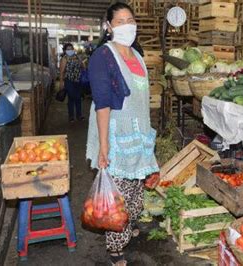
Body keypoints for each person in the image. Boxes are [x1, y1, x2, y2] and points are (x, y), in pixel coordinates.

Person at [85, 3, 159, 265]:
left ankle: (128, 227)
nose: (127, 25)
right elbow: (102, 104)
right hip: (116, 136)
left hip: (138, 137)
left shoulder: (137, 55)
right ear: (108, 26)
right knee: (119, 198)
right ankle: (116, 248)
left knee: (136, 191)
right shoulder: (103, 57)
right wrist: (104, 147)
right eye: (119, 21)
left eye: (130, 19)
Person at [59, 43, 85, 122]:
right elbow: (62, 72)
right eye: (68, 49)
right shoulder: (64, 58)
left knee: (78, 98)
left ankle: (79, 115)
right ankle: (71, 116)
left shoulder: (77, 57)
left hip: (78, 80)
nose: (70, 50)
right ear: (65, 50)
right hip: (69, 81)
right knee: (71, 98)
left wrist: (81, 63)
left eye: (71, 49)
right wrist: (61, 82)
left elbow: (83, 67)